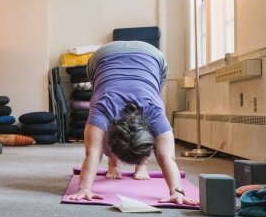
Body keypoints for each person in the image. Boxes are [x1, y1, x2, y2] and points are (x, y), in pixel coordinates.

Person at [66, 41, 195, 205]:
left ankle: (141, 164)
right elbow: (94, 152)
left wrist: (177, 192)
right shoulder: (102, 109)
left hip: (151, 57)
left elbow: (167, 156)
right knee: (98, 134)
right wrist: (84, 189)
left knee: (151, 89)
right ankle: (113, 162)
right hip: (104, 57)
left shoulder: (154, 111)